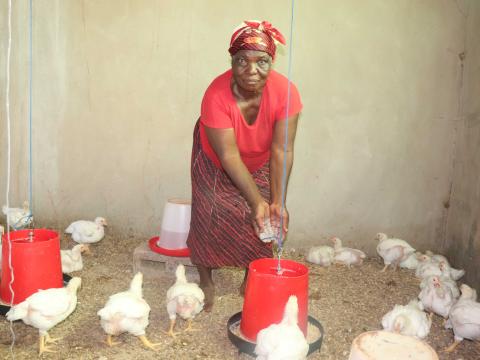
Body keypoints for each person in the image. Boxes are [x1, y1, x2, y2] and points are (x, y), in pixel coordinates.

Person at [186, 20, 302, 311]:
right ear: (232, 61)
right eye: (242, 61)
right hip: (216, 157)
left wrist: (277, 201)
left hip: (262, 157)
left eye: (262, 62)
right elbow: (229, 156)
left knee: (265, 218)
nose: (252, 71)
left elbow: (283, 148)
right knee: (208, 210)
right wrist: (255, 200)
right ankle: (205, 279)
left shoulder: (286, 93)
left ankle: (251, 273)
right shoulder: (216, 96)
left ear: (272, 62)